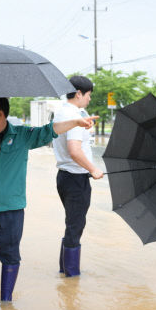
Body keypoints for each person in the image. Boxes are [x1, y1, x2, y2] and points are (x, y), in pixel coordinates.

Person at [0, 97, 97, 302]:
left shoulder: (22, 135)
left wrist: (76, 122)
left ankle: (6, 303)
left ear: (0, 114)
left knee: (11, 256)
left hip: (12, 209)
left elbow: (49, 130)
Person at [52, 76, 104, 277]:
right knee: (75, 226)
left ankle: (64, 270)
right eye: (89, 95)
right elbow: (74, 150)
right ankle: (71, 276)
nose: (90, 99)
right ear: (79, 93)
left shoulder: (64, 112)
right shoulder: (73, 116)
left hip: (65, 177)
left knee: (72, 223)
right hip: (75, 179)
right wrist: (93, 169)